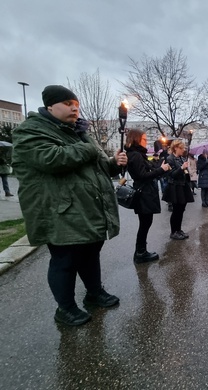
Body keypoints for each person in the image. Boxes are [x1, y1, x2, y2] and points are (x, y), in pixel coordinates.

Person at [11, 85, 127, 326]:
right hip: (60, 210)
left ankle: (94, 293)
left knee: (90, 254)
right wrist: (87, 145)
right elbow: (52, 159)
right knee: (65, 260)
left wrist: (114, 163)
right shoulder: (30, 131)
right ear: (50, 106)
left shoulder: (78, 132)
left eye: (76, 103)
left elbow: (99, 167)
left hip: (88, 209)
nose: (74, 107)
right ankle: (65, 308)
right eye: (67, 103)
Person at [125, 129, 170, 263]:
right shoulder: (135, 155)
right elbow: (142, 175)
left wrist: (159, 166)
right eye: (144, 139)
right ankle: (140, 252)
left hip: (145, 192)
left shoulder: (138, 154)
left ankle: (141, 251)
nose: (146, 142)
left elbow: (148, 169)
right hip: (143, 193)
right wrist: (161, 170)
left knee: (145, 223)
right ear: (136, 139)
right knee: (145, 224)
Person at [163, 140, 194, 240]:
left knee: (181, 210)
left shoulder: (181, 158)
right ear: (175, 148)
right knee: (176, 210)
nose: (183, 150)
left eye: (184, 148)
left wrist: (187, 171)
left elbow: (184, 172)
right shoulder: (169, 159)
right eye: (181, 148)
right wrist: (181, 168)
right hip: (175, 187)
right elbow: (171, 174)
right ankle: (173, 231)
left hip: (183, 186)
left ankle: (179, 229)